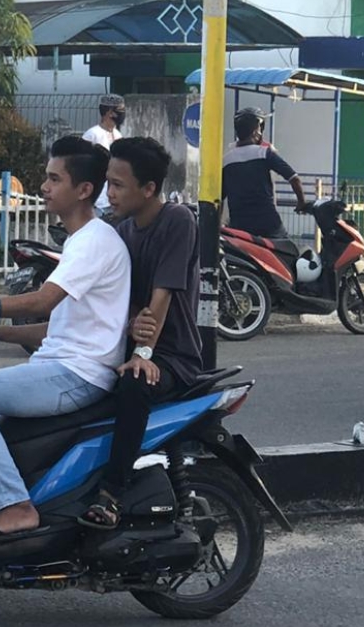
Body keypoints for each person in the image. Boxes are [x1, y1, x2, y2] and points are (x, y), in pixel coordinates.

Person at [0, 136, 131, 544]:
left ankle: (16, 508)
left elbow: (43, 301)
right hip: (65, 367)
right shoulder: (80, 242)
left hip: (79, 375)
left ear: (83, 190)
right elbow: (55, 328)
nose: (43, 187)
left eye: (53, 179)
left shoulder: (94, 240)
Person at [79, 137, 204, 529]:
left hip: (173, 357)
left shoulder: (178, 221)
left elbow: (161, 297)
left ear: (149, 189)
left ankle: (111, 494)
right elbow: (122, 302)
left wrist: (144, 355)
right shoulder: (120, 230)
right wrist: (131, 324)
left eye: (118, 185)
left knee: (134, 383)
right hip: (133, 347)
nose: (109, 193)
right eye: (107, 183)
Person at [222, 107, 307, 239]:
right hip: (269, 224)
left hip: (239, 226)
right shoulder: (263, 153)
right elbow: (294, 178)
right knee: (288, 254)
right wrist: (301, 203)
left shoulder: (226, 161)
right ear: (257, 130)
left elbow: (219, 197)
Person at [83, 94, 126, 218]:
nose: (122, 115)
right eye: (119, 111)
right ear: (109, 112)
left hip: (113, 198)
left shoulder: (118, 135)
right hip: (97, 200)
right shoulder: (92, 135)